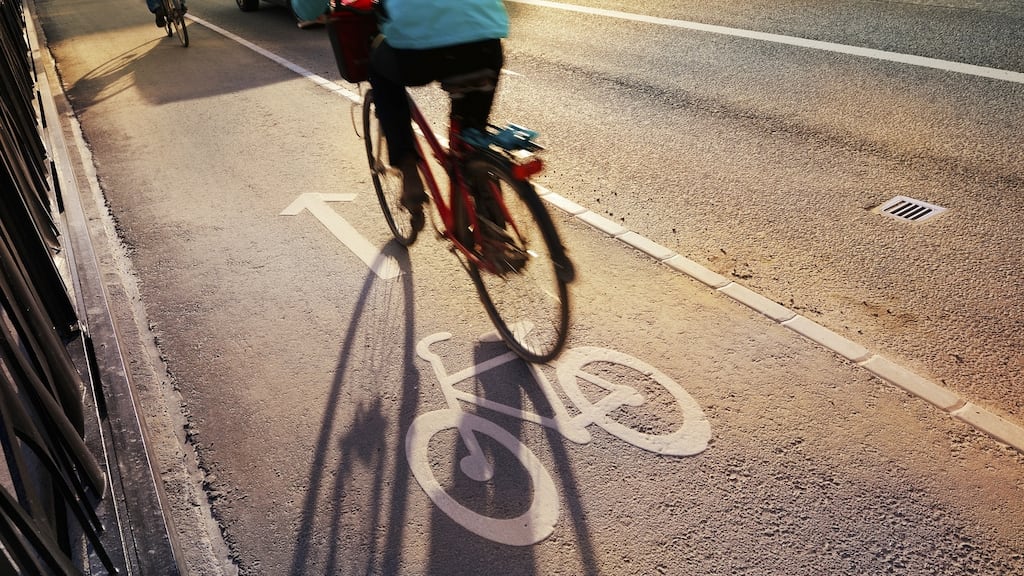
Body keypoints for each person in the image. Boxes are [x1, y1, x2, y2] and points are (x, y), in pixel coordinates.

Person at [367, 0, 509, 230]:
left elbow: (308, 6)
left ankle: (408, 167)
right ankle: (480, 175)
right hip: (486, 41)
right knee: (471, 133)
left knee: (378, 68)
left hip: (420, 56)